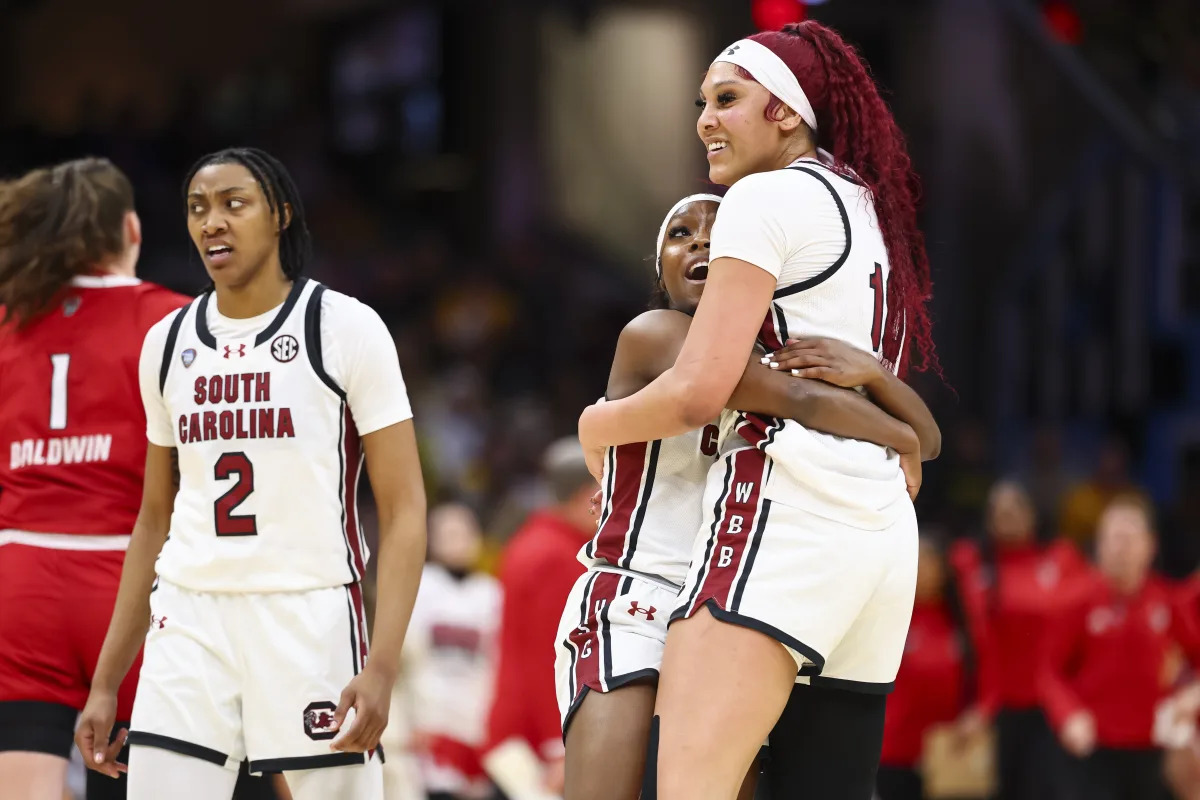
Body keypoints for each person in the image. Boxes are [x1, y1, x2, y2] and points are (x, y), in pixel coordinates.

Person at [577, 20, 941, 798]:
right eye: (702, 103)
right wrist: (904, 431)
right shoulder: (868, 205)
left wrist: (595, 424)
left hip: (785, 511)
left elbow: (701, 391)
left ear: (786, 110)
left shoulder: (763, 197)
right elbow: (901, 417)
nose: (704, 120)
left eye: (727, 100)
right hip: (881, 535)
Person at [72, 147, 427, 800]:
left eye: (234, 204)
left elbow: (405, 511)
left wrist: (381, 667)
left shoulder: (344, 327)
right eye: (198, 209)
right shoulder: (167, 342)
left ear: (280, 215)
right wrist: (106, 682)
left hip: (308, 612)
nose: (213, 222)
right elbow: (154, 518)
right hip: (189, 617)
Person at [0, 157, 189, 800]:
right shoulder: (176, 322)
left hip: (21, 579)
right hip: (132, 580)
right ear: (132, 230)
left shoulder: (10, 323)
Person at [1041, 495, 1200, 800]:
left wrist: (1191, 697)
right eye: (1112, 538)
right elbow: (1050, 671)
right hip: (1095, 751)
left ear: (1150, 546)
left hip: (1154, 750)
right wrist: (1068, 714)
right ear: (1099, 545)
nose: (1120, 547)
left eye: (1129, 538)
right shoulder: (1076, 603)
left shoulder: (1167, 601)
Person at [950, 481, 1088, 800]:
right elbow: (972, 642)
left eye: (1015, 508)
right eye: (998, 509)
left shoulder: (1061, 559)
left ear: (1032, 514)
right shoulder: (969, 562)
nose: (1006, 515)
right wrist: (977, 706)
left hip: (1050, 708)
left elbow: (1084, 623)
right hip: (994, 708)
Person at [482, 438, 595, 800]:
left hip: (519, 730)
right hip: (533, 743)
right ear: (587, 493)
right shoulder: (557, 557)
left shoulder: (532, 542)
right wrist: (557, 746)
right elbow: (549, 656)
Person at [407, 502, 501, 800]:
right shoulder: (418, 587)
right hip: (429, 720)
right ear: (431, 539)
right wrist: (412, 718)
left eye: (463, 532)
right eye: (447, 533)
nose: (457, 541)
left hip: (475, 717)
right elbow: (408, 660)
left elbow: (497, 663)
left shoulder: (492, 592)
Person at [874, 533, 973, 800]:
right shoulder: (890, 616)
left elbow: (986, 675)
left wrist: (978, 715)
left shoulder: (960, 620)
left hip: (950, 749)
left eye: (931, 561)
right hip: (897, 749)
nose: (925, 569)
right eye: (918, 561)